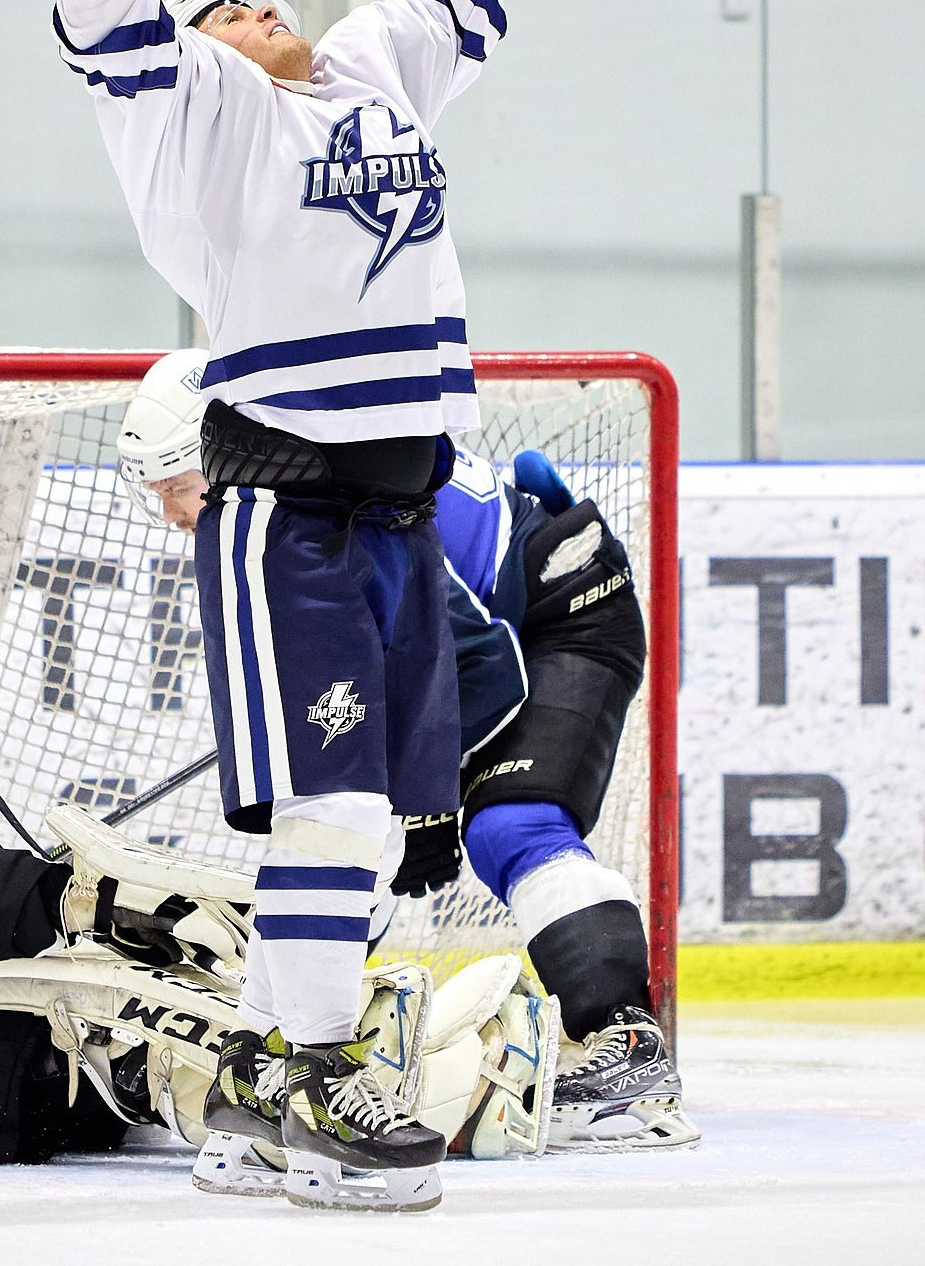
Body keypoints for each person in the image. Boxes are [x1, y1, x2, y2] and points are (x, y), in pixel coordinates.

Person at [23, 0, 553, 1212]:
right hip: (288, 507)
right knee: (326, 807)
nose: (245, 2)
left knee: (375, 822)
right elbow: (112, 29)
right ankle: (303, 1071)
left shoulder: (369, 73)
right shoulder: (198, 119)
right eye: (219, 7)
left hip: (395, 506)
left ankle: (267, 1082)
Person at [0, 600, 562, 1176]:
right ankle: (446, 1096)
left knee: (130, 988)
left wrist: (91, 914)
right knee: (112, 1034)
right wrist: (91, 903)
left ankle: (369, 1061)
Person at [119, 351, 697, 1151]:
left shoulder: (319, 509)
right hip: (483, 641)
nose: (175, 515)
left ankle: (626, 1045)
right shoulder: (290, 500)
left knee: (505, 826)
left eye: (176, 488)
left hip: (561, 617)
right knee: (367, 833)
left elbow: (468, 664)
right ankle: (282, 1051)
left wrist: (423, 797)